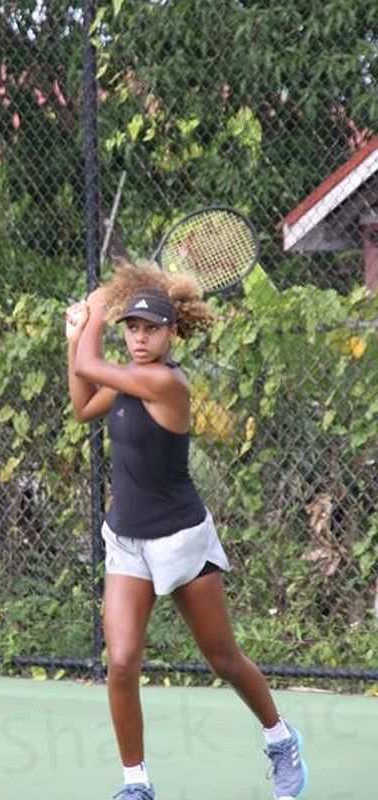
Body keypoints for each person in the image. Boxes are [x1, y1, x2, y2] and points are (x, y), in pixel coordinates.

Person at [65, 263, 308, 800]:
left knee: (222, 658)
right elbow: (83, 404)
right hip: (126, 539)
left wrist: (95, 308)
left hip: (180, 539)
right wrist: (75, 335)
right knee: (122, 660)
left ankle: (281, 738)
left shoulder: (165, 384)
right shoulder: (126, 380)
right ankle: (136, 784)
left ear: (173, 333)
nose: (140, 337)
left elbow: (89, 361)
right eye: (132, 327)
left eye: (151, 328)